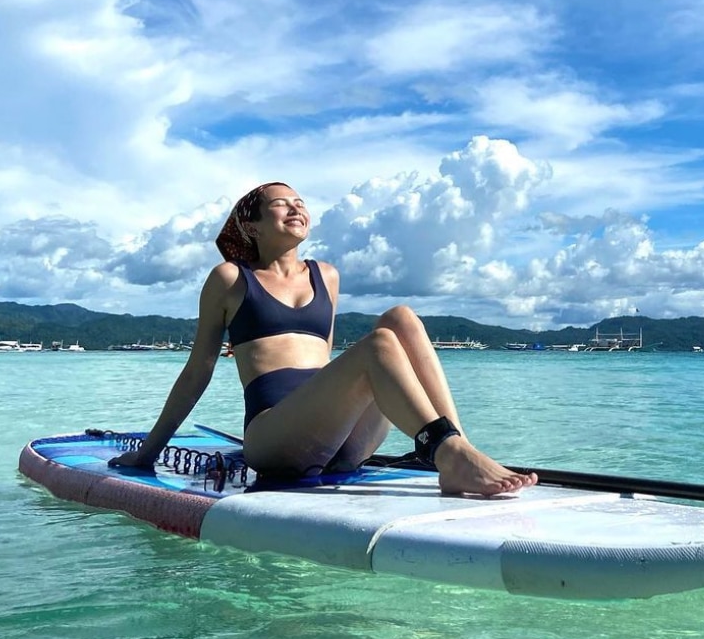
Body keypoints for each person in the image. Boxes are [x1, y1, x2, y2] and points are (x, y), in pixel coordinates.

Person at [110, 182, 536, 497]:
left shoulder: (326, 275)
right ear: (252, 225)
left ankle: (456, 448)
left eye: (301, 204)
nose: (296, 209)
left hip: (338, 437)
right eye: (281, 205)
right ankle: (448, 453)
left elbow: (326, 362)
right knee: (378, 344)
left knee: (400, 319)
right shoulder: (230, 279)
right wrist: (149, 451)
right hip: (274, 437)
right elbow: (197, 371)